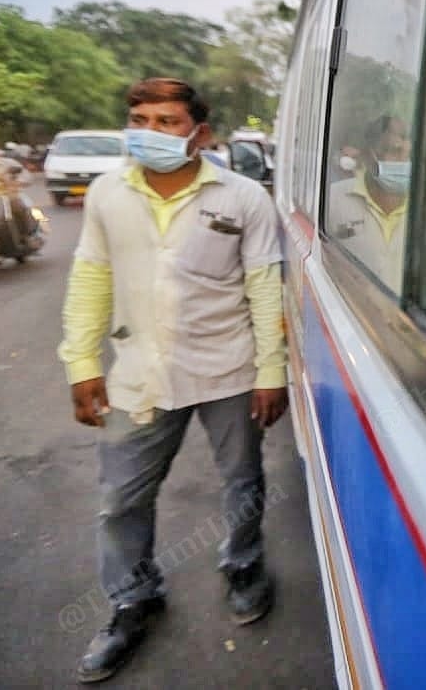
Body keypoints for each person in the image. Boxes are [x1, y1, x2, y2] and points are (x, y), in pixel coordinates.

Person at [58, 78, 287, 684]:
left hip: (229, 370)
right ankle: (133, 601)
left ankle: (243, 564)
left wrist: (272, 371)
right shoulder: (107, 194)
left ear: (199, 133)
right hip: (140, 376)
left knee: (242, 481)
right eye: (140, 119)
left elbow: (264, 288)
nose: (150, 132)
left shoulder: (244, 199)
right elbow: (90, 280)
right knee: (119, 501)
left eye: (166, 121)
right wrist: (81, 362)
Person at [325, 115, 411, 292]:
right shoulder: (333, 201)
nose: (405, 162)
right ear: (369, 156)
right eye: (395, 151)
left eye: (409, 154)